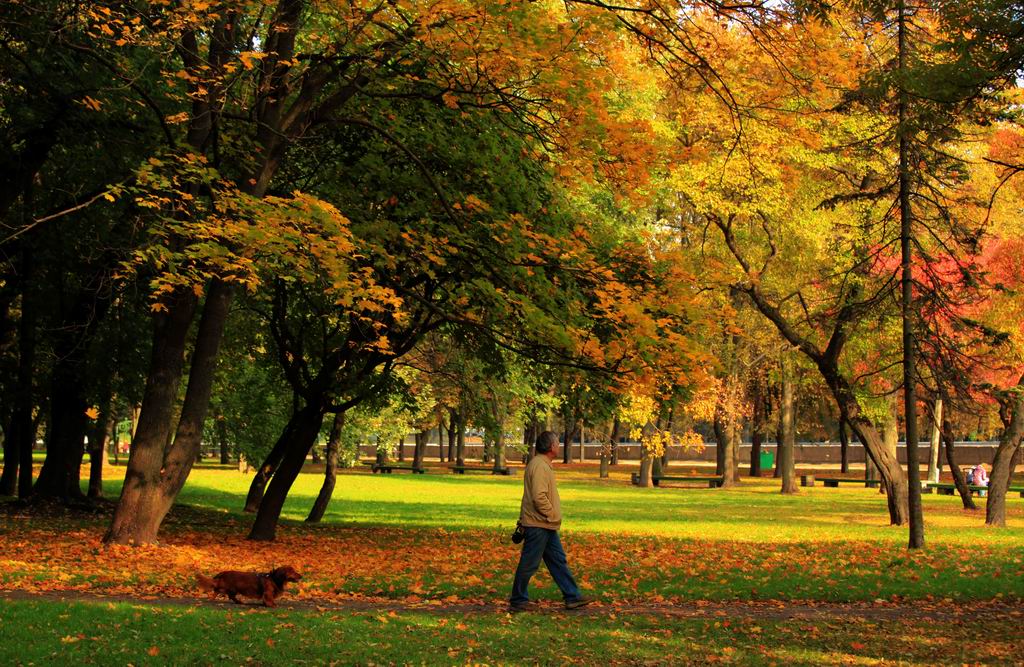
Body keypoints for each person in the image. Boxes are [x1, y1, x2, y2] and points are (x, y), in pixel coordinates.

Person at [509, 430, 591, 612]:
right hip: (539, 523)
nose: (559, 446)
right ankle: (518, 599)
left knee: (558, 560)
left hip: (544, 523)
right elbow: (539, 497)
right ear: (551, 446)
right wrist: (552, 514)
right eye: (557, 443)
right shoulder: (539, 465)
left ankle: (572, 596)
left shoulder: (542, 464)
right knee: (529, 563)